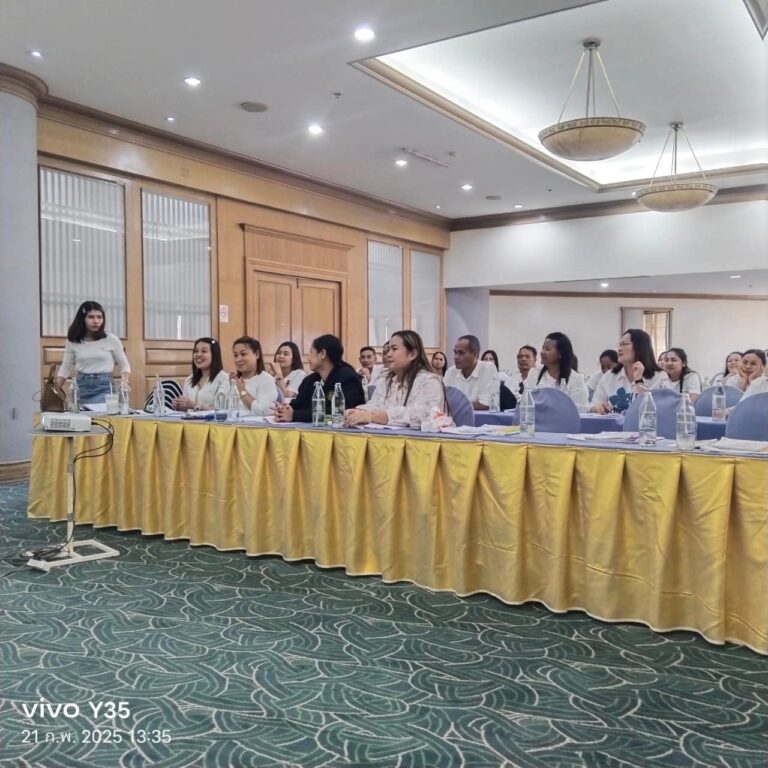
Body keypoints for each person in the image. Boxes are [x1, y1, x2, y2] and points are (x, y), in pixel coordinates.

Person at [344, 330, 448, 428]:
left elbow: (421, 415)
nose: (388, 354)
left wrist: (373, 416)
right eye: (388, 349)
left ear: (412, 354)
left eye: (394, 349)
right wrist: (357, 411)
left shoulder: (429, 381)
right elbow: (376, 404)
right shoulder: (387, 378)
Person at [274, 334, 365, 422]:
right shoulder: (309, 380)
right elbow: (298, 405)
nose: (308, 358)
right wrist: (283, 410)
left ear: (322, 354)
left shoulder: (347, 378)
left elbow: (337, 412)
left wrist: (295, 416)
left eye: (311, 352)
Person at [55, 300, 130, 405]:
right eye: (91, 317)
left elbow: (125, 365)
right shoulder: (73, 341)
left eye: (99, 317)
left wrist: (124, 381)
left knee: (101, 413)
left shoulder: (111, 339)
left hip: (104, 387)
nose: (96, 321)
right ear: (82, 319)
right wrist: (55, 389)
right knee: (79, 414)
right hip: (80, 387)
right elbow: (65, 367)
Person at [590, 329, 668, 413]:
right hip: (614, 422)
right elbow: (593, 405)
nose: (619, 349)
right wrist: (599, 408)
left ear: (640, 347)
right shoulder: (609, 376)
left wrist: (639, 380)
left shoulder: (659, 377)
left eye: (625, 344)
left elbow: (659, 411)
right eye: (619, 345)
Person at [526, 332, 589, 411]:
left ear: (560, 354)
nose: (542, 352)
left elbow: (580, 408)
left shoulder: (576, 379)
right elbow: (527, 402)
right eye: (543, 348)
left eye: (547, 349)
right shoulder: (534, 373)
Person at [171, 337, 229, 411]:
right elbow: (187, 411)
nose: (198, 354)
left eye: (204, 351)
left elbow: (223, 411)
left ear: (214, 355)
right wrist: (180, 405)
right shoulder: (189, 380)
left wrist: (195, 406)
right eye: (196, 351)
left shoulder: (225, 379)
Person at [444, 335, 499, 410]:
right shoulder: (451, 372)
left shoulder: (488, 369)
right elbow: (443, 403)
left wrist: (454, 405)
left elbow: (485, 405)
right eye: (455, 352)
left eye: (461, 353)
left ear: (475, 354)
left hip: (481, 417)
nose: (456, 357)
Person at [229, 336, 278, 416]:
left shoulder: (266, 379)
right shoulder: (233, 380)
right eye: (235, 355)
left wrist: (242, 390)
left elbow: (263, 412)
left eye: (243, 354)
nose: (238, 359)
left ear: (257, 354)